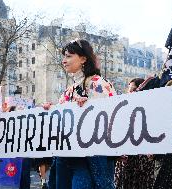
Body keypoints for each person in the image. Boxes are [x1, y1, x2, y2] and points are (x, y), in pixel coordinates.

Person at [44, 39, 116, 189]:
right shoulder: (70, 88)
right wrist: (52, 109)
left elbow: (107, 121)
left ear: (83, 58)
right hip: (67, 156)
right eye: (64, 56)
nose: (64, 60)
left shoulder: (98, 83)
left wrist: (87, 108)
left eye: (69, 56)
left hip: (90, 159)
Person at [115, 77, 155, 189]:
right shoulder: (123, 109)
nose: (130, 92)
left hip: (142, 159)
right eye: (129, 89)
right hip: (127, 157)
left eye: (133, 89)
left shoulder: (149, 111)